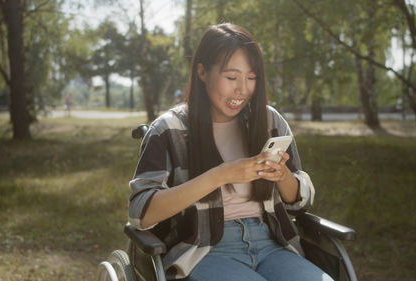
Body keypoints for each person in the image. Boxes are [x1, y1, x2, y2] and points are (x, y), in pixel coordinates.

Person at [129, 23, 330, 281]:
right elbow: (140, 213)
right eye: (232, 77)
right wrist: (219, 175)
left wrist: (282, 177)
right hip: (203, 251)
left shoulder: (269, 121)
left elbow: (301, 202)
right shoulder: (169, 129)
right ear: (202, 71)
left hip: (274, 245)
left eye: (252, 78)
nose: (243, 89)